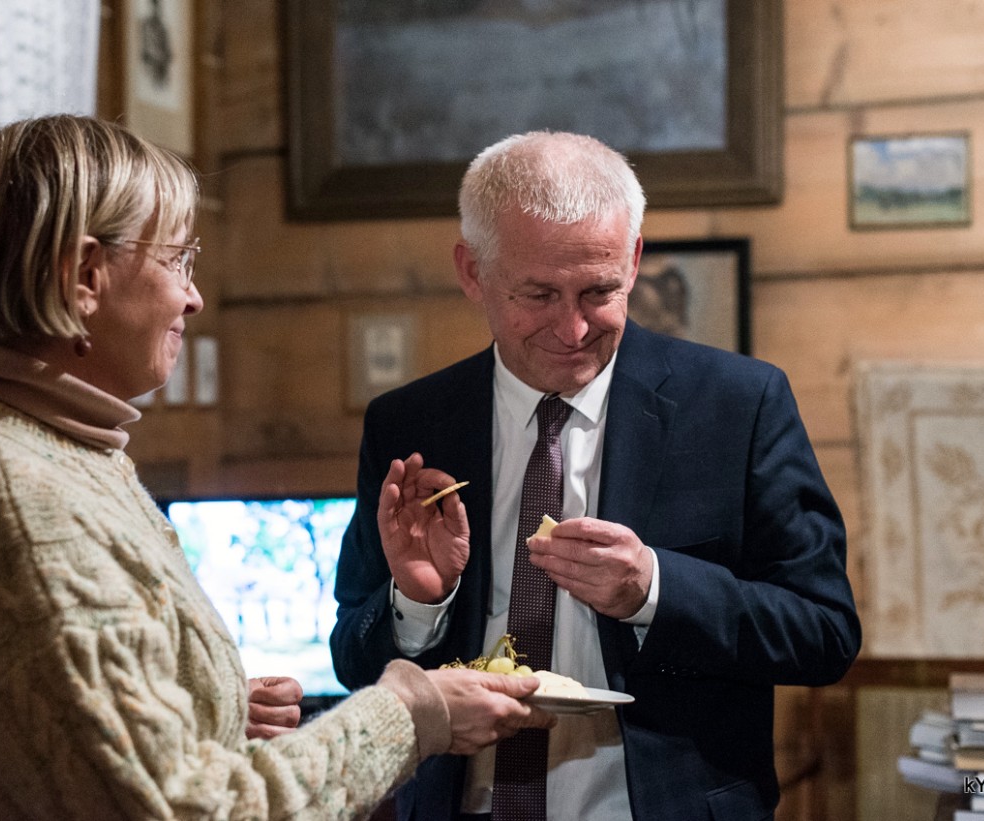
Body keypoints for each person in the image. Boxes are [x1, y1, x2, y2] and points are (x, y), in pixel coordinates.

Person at [0, 115, 555, 820]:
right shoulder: (17, 507)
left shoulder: (50, 446)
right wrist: (412, 712)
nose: (194, 296)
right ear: (84, 276)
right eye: (177, 260)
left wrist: (209, 712)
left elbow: (72, 741)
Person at [330, 131, 862, 821]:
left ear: (633, 261)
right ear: (472, 272)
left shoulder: (739, 406)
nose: (574, 329)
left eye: (599, 291)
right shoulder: (410, 423)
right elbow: (352, 660)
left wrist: (655, 589)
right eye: (539, 294)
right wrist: (418, 602)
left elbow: (825, 632)